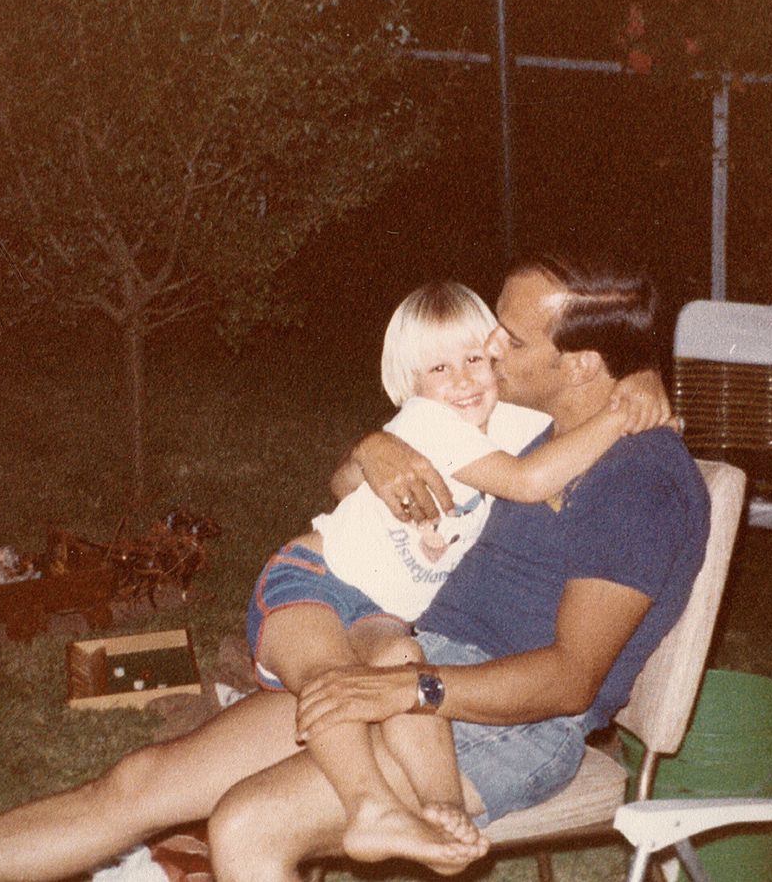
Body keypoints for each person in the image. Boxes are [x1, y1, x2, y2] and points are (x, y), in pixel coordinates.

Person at [0, 255, 708, 882]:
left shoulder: (643, 483)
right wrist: (371, 452)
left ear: (582, 362)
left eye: (508, 335)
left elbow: (569, 679)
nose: (486, 347)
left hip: (497, 718)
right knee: (141, 782)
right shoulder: (530, 422)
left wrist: (404, 692)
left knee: (247, 824)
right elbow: (395, 461)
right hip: (397, 661)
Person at [249, 281, 646, 865]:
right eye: (439, 368)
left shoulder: (510, 422)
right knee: (328, 678)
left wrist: (638, 377)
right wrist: (623, 416)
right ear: (411, 386)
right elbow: (529, 482)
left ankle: (442, 809)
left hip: (384, 613)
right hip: (312, 578)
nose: (462, 380)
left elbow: (567, 412)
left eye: (476, 360)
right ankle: (370, 809)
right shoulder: (426, 424)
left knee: (404, 666)